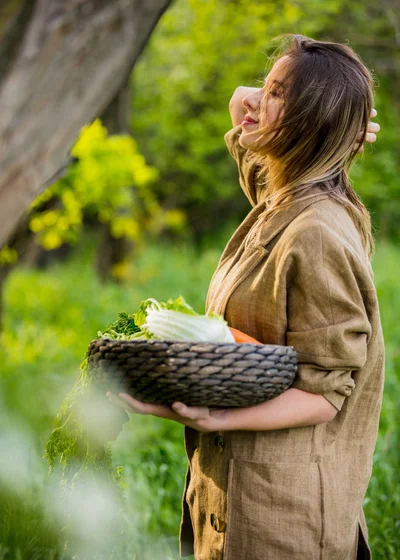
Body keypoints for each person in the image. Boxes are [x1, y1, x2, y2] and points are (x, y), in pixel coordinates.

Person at [107, 35, 384, 560]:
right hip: (232, 493)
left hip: (280, 516)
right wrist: (280, 103)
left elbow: (327, 393)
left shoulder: (316, 232)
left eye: (276, 93)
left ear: (309, 125)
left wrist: (217, 418)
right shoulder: (282, 199)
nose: (253, 99)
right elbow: (246, 125)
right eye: (265, 85)